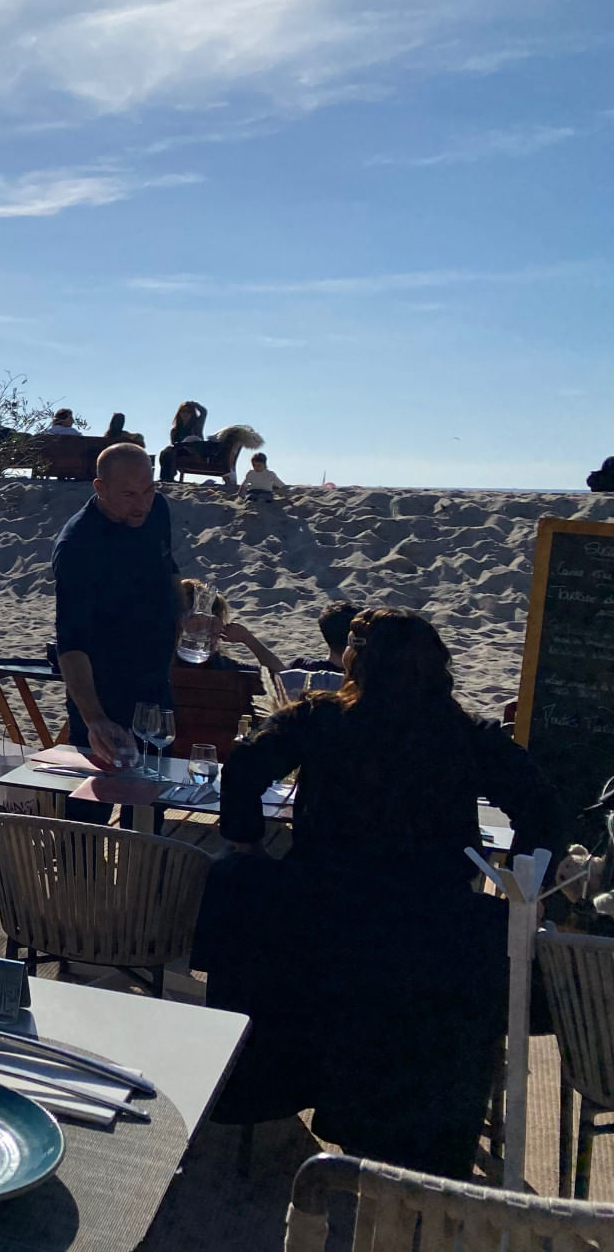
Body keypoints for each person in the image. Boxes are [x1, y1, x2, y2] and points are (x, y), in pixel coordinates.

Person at [195, 608, 564, 1174]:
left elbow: (244, 765)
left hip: (321, 912)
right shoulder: (464, 734)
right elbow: (541, 806)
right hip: (428, 923)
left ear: (358, 665)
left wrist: (246, 843)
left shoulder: (321, 719)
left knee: (239, 886)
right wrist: (518, 883)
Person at [52, 442, 181, 773]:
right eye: (129, 495)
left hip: (156, 688)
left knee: (152, 801)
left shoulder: (158, 510)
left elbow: (169, 570)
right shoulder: (78, 545)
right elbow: (71, 643)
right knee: (89, 809)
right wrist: (94, 718)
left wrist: (188, 615)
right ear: (101, 488)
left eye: (148, 490)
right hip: (104, 692)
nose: (143, 504)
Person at [178, 578, 284, 682]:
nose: (206, 629)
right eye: (198, 624)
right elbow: (283, 679)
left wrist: (247, 638)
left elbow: (282, 678)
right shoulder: (223, 668)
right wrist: (249, 639)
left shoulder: (164, 662)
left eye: (213, 624)